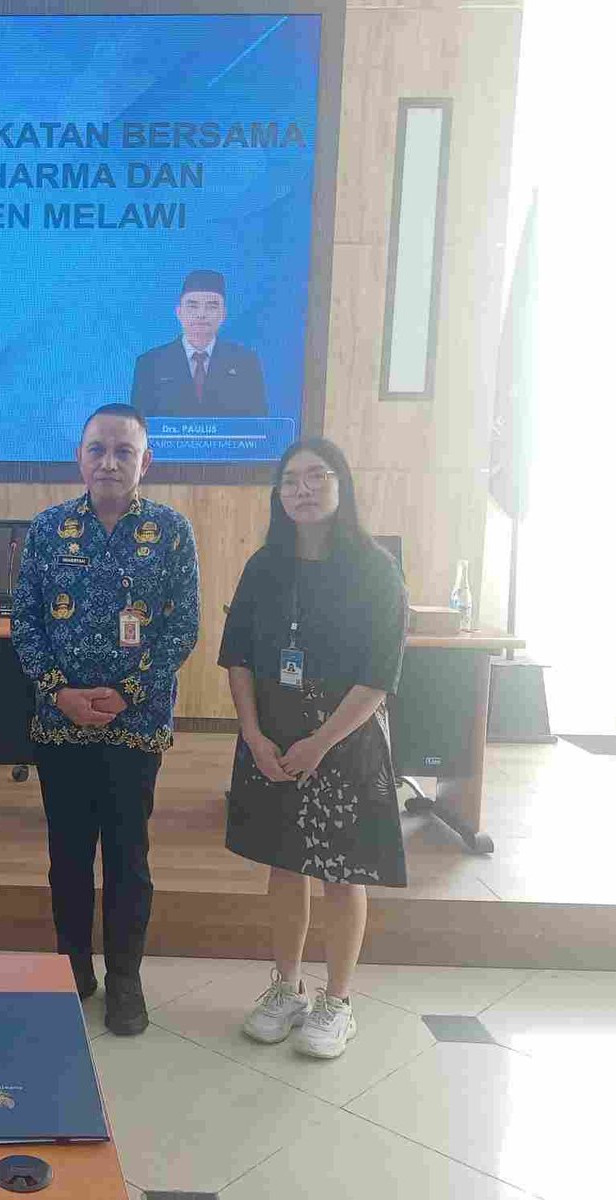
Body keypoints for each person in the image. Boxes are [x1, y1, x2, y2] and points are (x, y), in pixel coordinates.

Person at [11, 403, 200, 1035]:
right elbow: (25, 621)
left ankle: (124, 977)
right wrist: (59, 691)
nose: (109, 462)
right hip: (59, 722)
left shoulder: (172, 532)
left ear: (147, 461)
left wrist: (127, 694)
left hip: (135, 726)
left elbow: (182, 628)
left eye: (124, 451)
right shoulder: (48, 529)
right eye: (97, 449)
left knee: (127, 854)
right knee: (67, 853)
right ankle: (72, 968)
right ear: (80, 458)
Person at [220, 437, 408, 1059]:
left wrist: (321, 742)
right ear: (278, 494)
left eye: (317, 476)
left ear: (341, 485)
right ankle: (287, 988)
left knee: (341, 874)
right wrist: (253, 735)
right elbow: (238, 658)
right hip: (273, 739)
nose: (302, 489)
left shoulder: (375, 569)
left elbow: (380, 675)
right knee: (284, 866)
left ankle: (338, 1001)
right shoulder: (263, 567)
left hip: (344, 740)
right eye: (290, 480)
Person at [130, 269, 266, 418]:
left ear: (223, 314)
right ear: (179, 312)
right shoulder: (150, 364)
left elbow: (258, 424)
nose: (201, 314)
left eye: (211, 306)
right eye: (192, 306)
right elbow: (137, 426)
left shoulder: (245, 363)